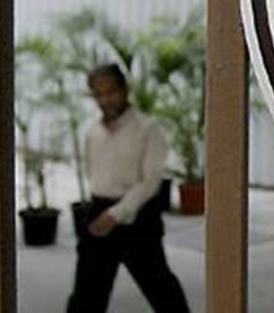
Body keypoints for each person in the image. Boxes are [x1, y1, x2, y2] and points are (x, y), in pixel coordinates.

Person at [67, 64, 190, 313]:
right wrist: (101, 213)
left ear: (125, 89)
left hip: (139, 219)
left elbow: (150, 182)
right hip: (99, 213)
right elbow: (93, 174)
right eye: (99, 94)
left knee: (161, 289)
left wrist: (116, 214)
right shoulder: (92, 132)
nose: (105, 100)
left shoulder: (148, 129)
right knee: (86, 296)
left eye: (111, 92)